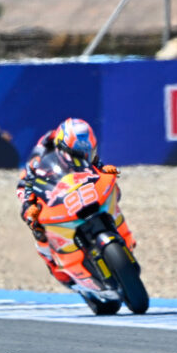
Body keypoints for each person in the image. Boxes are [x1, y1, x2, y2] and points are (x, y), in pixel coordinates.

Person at [16, 118, 120, 287]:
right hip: (51, 188)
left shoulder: (84, 149)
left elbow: (98, 168)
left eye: (89, 152)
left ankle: (118, 231)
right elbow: (25, 183)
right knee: (36, 225)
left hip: (80, 188)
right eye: (80, 154)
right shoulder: (41, 156)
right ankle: (55, 265)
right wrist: (29, 204)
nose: (85, 156)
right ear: (64, 148)